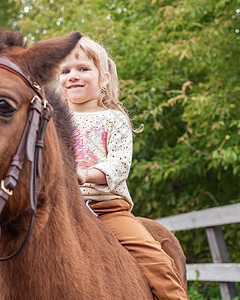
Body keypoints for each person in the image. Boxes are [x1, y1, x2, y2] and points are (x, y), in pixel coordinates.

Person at [58, 36, 188, 299]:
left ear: (103, 78)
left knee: (156, 261)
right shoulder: (51, 120)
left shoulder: (113, 119)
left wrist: (85, 174)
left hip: (105, 208)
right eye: (65, 71)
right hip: (60, 206)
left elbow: (119, 163)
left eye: (83, 68)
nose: (73, 75)